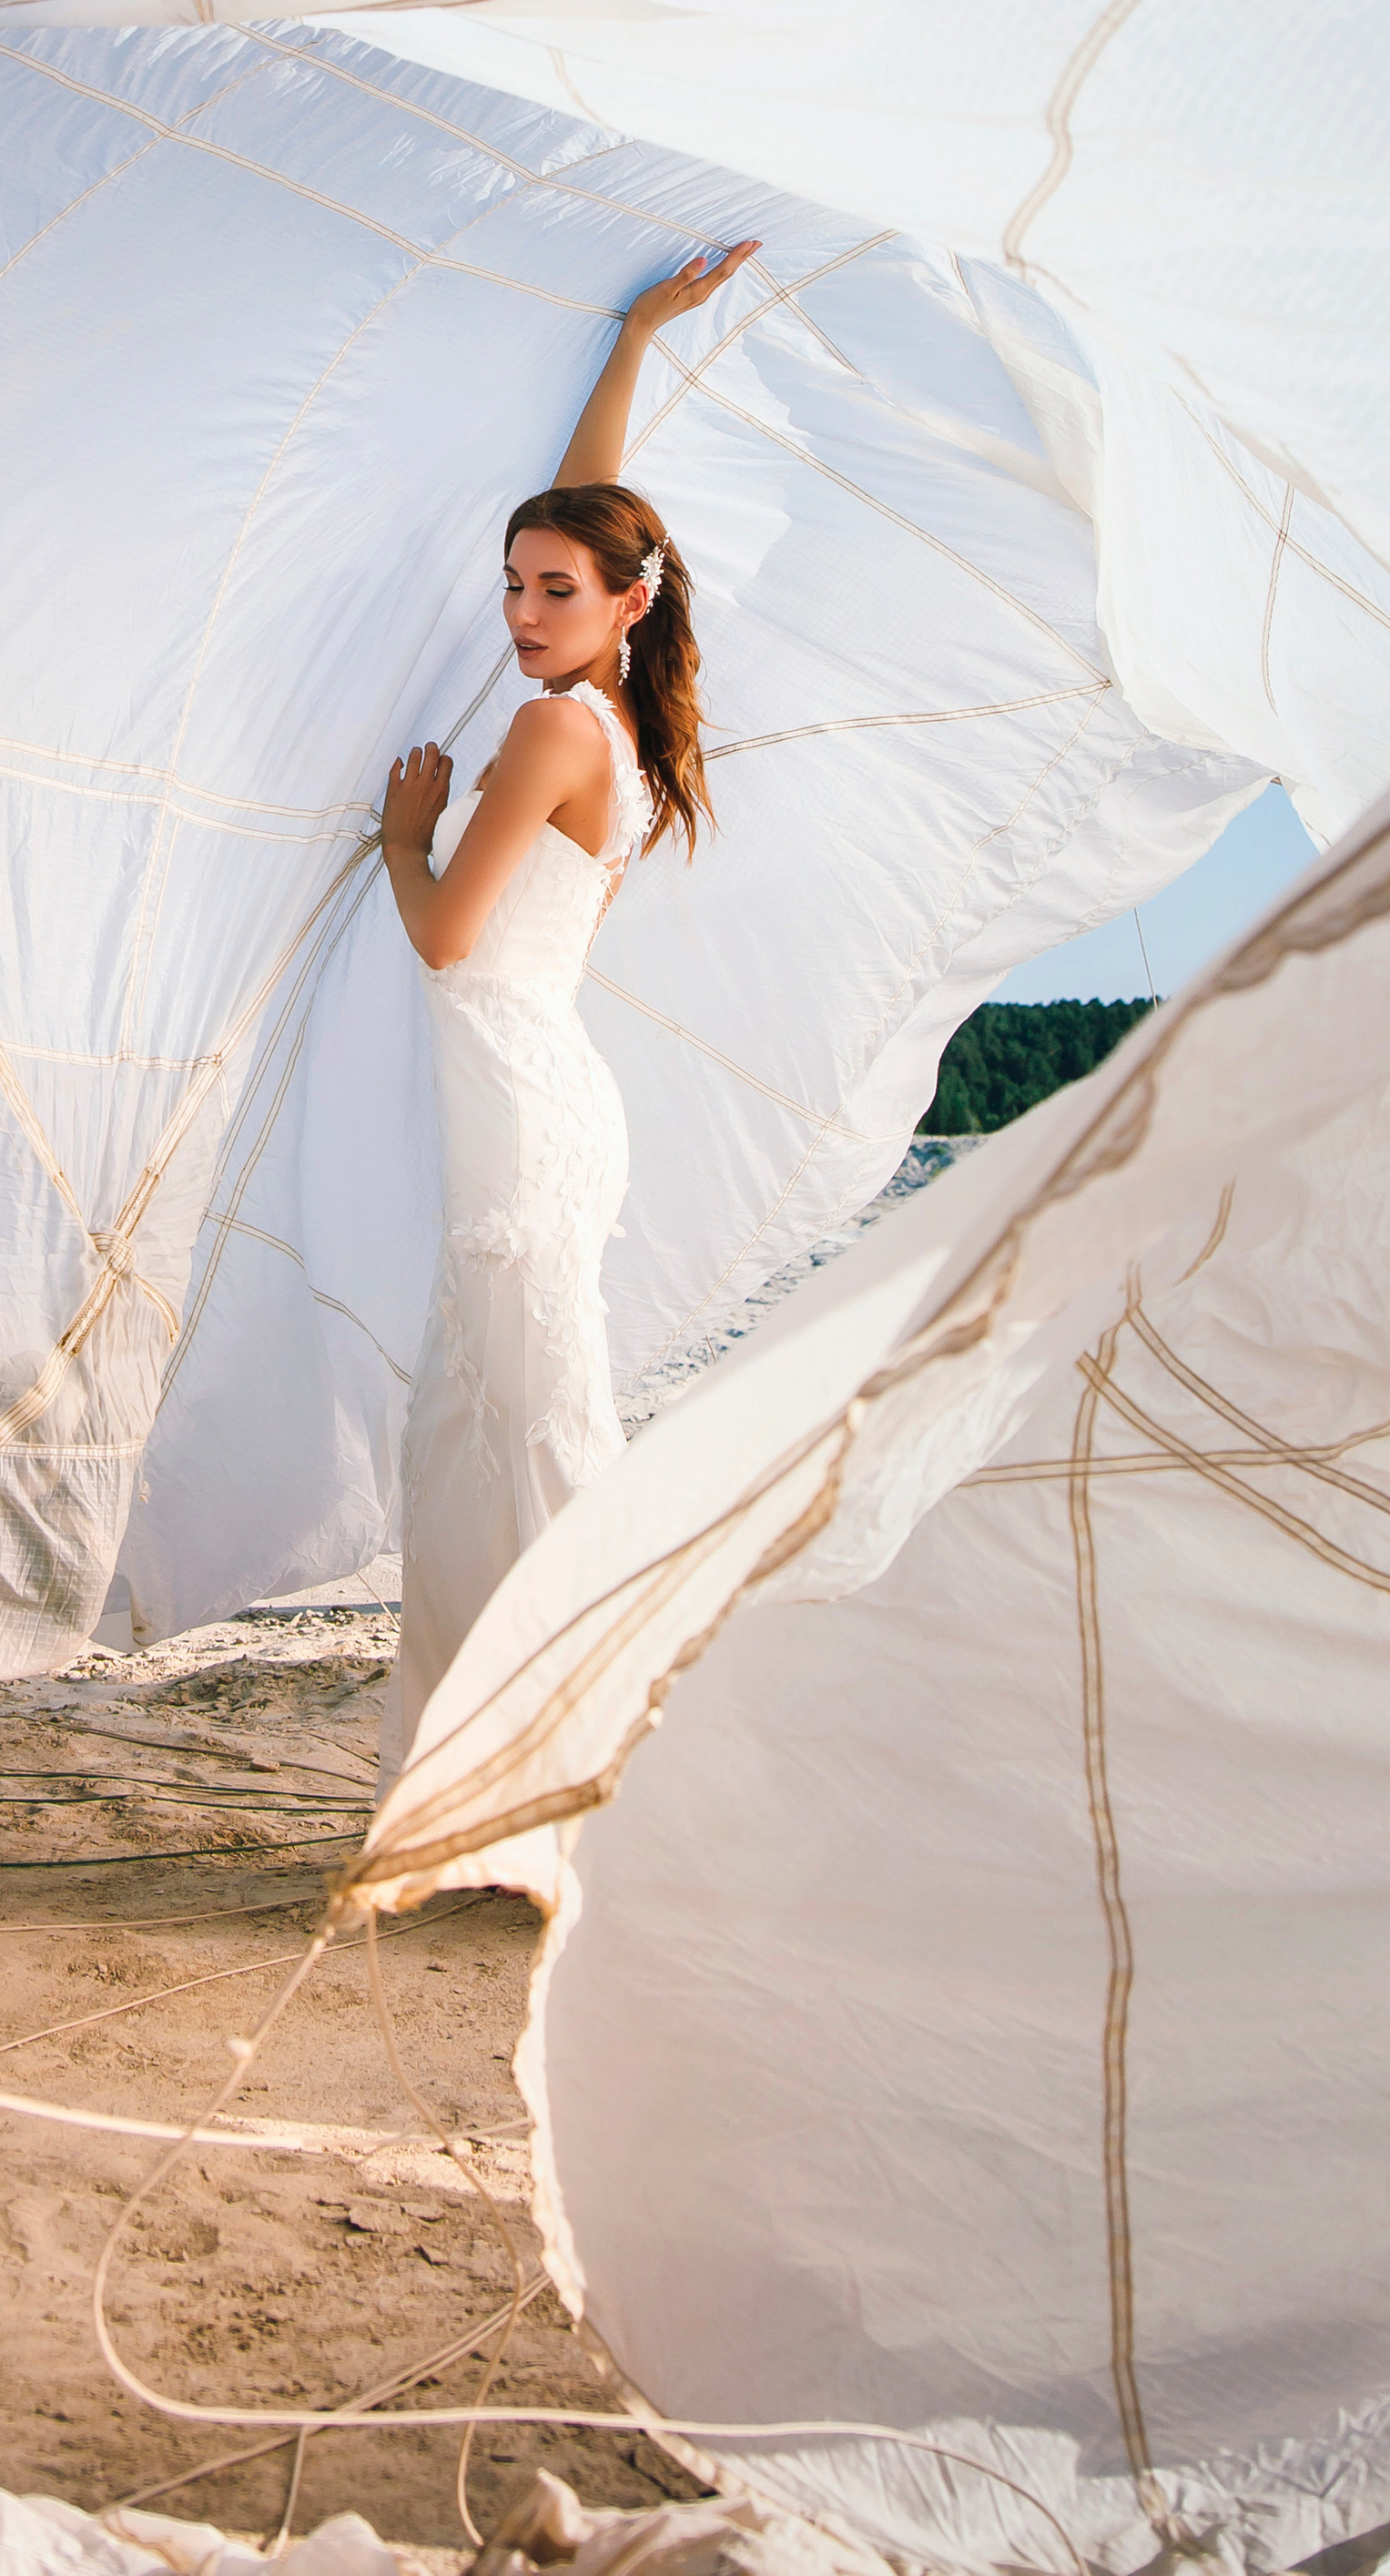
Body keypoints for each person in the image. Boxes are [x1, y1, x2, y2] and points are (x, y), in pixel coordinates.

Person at [374, 239, 757, 1780]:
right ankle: (494, 1780)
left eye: (552, 592)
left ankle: (618, 1778)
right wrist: (634, 341)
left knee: (536, 1448)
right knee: (475, 1451)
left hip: (524, 1114)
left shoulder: (551, 728)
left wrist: (405, 840)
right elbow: (591, 508)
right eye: (512, 588)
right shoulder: (615, 710)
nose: (523, 612)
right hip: (533, 1107)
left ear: (621, 600)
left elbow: (450, 942)